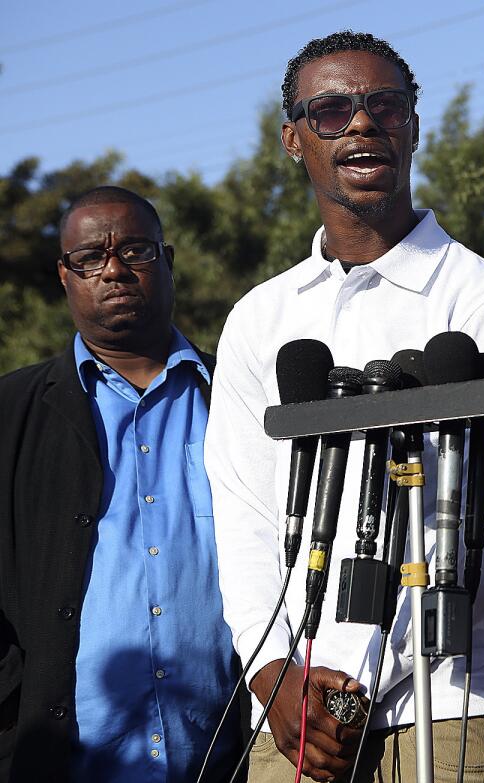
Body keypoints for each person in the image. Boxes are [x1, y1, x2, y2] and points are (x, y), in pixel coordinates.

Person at [205, 31, 484, 783]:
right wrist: (272, 674)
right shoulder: (261, 317)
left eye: (384, 104)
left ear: (413, 125)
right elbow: (244, 507)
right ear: (293, 138)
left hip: (447, 703)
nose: (361, 123)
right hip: (294, 714)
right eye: (331, 110)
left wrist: (348, 677)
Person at [0, 186, 243, 781]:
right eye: (89, 258)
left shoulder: (239, 397)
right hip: (63, 759)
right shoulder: (11, 411)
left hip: (228, 752)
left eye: (135, 251)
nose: (113, 270)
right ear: (65, 275)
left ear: (168, 259)